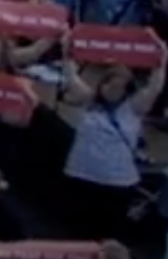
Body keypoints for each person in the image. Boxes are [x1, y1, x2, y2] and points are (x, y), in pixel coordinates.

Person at [61, 50, 166, 240]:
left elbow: (154, 88)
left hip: (116, 182)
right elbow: (70, 75)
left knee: (108, 235)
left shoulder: (134, 107)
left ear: (127, 91)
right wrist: (68, 50)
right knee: (77, 233)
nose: (111, 90)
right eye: (109, 84)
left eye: (118, 88)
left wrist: (161, 62)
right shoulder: (89, 99)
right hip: (83, 175)